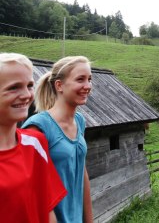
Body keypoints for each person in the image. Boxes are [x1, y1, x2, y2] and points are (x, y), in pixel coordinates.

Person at [22, 56, 94, 223]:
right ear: (59, 85)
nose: (88, 86)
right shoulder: (38, 127)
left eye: (89, 79)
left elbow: (82, 173)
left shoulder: (79, 121)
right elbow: (29, 190)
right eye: (80, 79)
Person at [0, 52, 67, 223]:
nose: (26, 95)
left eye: (29, 85)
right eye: (13, 87)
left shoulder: (36, 142)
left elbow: (47, 209)